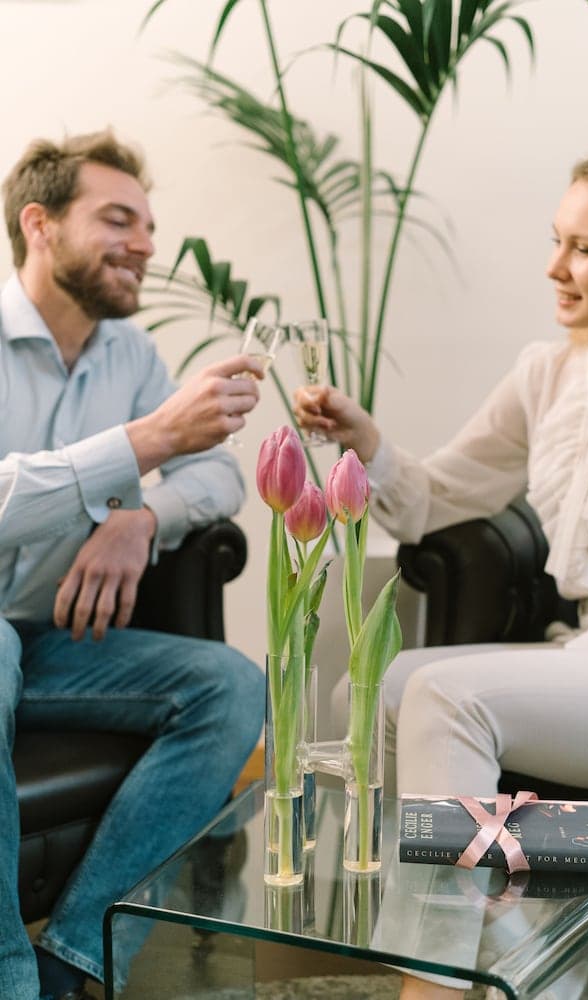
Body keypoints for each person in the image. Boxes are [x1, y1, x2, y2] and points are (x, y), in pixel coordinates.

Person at [295, 145, 588, 999]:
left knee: (449, 700)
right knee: (375, 689)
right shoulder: (549, 374)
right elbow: (433, 500)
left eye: (584, 248)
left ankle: (431, 987)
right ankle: (528, 944)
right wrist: (363, 438)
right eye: (556, 240)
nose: (554, 267)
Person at [1, 130, 266, 1000]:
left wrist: (141, 517)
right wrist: (142, 445)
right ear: (39, 225)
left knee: (232, 687)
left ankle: (75, 959)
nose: (147, 244)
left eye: (149, 225)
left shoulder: (131, 355)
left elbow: (218, 474)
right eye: (118, 220)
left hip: (55, 642)